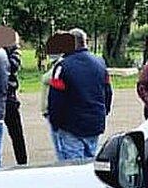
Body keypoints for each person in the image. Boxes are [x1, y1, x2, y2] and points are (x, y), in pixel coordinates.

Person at [46, 28, 112, 161]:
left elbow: (56, 99)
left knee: (72, 167)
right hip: (95, 122)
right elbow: (108, 92)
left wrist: (55, 122)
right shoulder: (100, 63)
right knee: (91, 163)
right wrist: (103, 112)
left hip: (71, 126)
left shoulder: (62, 67)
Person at [4, 35, 28, 165]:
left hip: (8, 95)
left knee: (16, 133)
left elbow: (12, 66)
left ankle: (22, 162)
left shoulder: (14, 50)